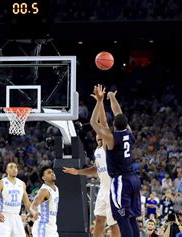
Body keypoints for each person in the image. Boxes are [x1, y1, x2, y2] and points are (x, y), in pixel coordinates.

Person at [63, 86, 119, 237]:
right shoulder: (98, 151)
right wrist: (78, 172)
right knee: (99, 220)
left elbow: (104, 123)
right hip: (103, 188)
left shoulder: (108, 147)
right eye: (97, 135)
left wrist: (100, 102)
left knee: (114, 224)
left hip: (113, 189)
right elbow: (96, 169)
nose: (99, 136)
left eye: (101, 135)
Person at [89, 84, 141, 237]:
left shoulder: (111, 139)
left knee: (122, 218)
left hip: (121, 181)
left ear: (114, 125)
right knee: (131, 217)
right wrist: (112, 97)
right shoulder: (129, 133)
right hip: (133, 179)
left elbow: (94, 123)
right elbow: (118, 112)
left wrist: (99, 101)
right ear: (126, 124)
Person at [0, 162, 32, 237]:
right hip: (4, 216)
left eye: (16, 167)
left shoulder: (22, 184)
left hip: (16, 216)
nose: (14, 169)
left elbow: (27, 203)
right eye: (11, 167)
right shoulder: (1, 183)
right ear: (6, 170)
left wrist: (34, 212)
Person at [29, 167, 59, 237]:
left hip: (52, 227)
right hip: (43, 227)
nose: (52, 173)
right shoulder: (44, 191)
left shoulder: (56, 188)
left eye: (52, 172)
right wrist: (34, 212)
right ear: (43, 178)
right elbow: (32, 207)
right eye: (49, 173)